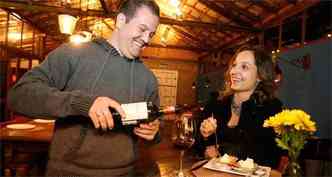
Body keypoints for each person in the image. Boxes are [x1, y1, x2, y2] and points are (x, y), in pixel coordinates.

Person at [7, 0, 161, 176]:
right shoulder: (73, 54)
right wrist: (82, 103)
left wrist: (154, 131)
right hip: (68, 172)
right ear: (121, 21)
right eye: (142, 29)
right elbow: (19, 95)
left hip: (125, 173)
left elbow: (155, 127)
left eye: (152, 34)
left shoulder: (148, 78)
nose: (147, 39)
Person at [195, 45, 283, 169]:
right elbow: (196, 146)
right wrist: (204, 136)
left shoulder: (271, 108)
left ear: (259, 75)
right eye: (234, 65)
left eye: (244, 67)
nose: (234, 71)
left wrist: (221, 151)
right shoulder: (216, 104)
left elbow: (267, 155)